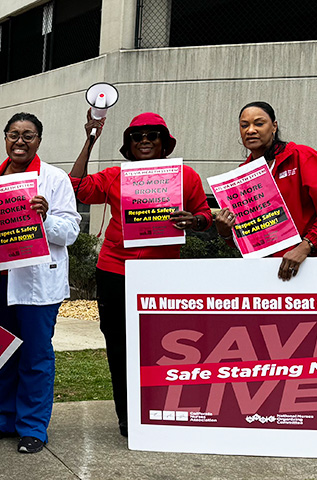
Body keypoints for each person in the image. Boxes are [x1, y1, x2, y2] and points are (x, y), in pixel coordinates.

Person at [69, 111, 213, 437]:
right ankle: (128, 417)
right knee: (119, 346)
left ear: (165, 142)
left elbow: (204, 216)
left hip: (160, 274)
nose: (145, 140)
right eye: (137, 136)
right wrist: (90, 140)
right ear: (128, 145)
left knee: (164, 346)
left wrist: (195, 222)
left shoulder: (185, 176)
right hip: (115, 272)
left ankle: (162, 410)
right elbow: (77, 188)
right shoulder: (115, 176)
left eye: (152, 135)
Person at [0, 113, 81, 454]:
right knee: (4, 352)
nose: (20, 141)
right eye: (13, 134)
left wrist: (46, 217)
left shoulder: (54, 179)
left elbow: (70, 232)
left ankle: (33, 425)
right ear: (5, 138)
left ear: (39, 140)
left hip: (38, 285)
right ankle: (6, 417)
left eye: (28, 135)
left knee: (35, 356)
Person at [213, 101, 317, 281]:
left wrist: (306, 246)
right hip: (269, 275)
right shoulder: (241, 177)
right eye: (244, 125)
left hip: (315, 268)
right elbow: (250, 238)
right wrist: (225, 232)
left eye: (259, 123)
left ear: (274, 126)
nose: (251, 130)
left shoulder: (301, 157)